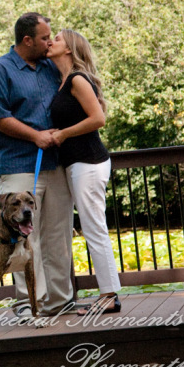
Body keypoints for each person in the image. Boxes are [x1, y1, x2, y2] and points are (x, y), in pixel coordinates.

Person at [0, 12, 77, 317]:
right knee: (23, 237)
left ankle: (61, 301)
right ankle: (27, 304)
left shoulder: (51, 67)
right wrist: (36, 136)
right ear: (27, 40)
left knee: (58, 234)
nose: (50, 42)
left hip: (56, 163)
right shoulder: (0, 70)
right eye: (45, 37)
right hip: (18, 165)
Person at [45, 28, 122, 315]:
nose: (51, 41)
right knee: (91, 227)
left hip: (89, 163)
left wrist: (63, 134)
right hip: (75, 163)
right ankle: (107, 294)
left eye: (57, 39)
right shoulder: (63, 81)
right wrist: (60, 131)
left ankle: (110, 296)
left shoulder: (77, 79)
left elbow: (98, 119)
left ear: (69, 48)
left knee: (94, 228)